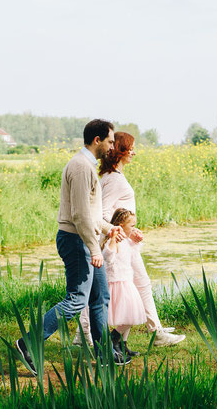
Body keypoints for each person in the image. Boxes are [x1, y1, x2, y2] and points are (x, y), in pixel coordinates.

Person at [15, 119, 128, 374]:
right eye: (110, 141)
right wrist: (95, 249)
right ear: (97, 140)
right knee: (77, 300)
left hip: (85, 238)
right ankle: (28, 344)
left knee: (99, 298)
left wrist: (110, 229)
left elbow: (91, 213)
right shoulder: (80, 168)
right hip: (77, 241)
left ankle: (104, 355)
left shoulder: (87, 166)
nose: (113, 146)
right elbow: (79, 216)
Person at [73, 132, 185, 348]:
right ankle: (155, 333)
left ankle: (86, 333)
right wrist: (123, 231)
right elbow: (103, 214)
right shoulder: (114, 179)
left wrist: (129, 230)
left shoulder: (110, 176)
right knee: (139, 284)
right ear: (119, 152)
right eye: (130, 148)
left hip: (123, 240)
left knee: (110, 287)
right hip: (120, 244)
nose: (134, 152)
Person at [100, 209, 147, 358]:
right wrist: (113, 238)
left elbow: (133, 253)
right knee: (128, 317)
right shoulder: (113, 241)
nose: (134, 228)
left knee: (131, 315)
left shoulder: (126, 240)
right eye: (132, 226)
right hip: (116, 283)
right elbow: (108, 257)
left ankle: (119, 342)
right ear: (120, 225)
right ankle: (114, 338)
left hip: (127, 281)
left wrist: (137, 239)